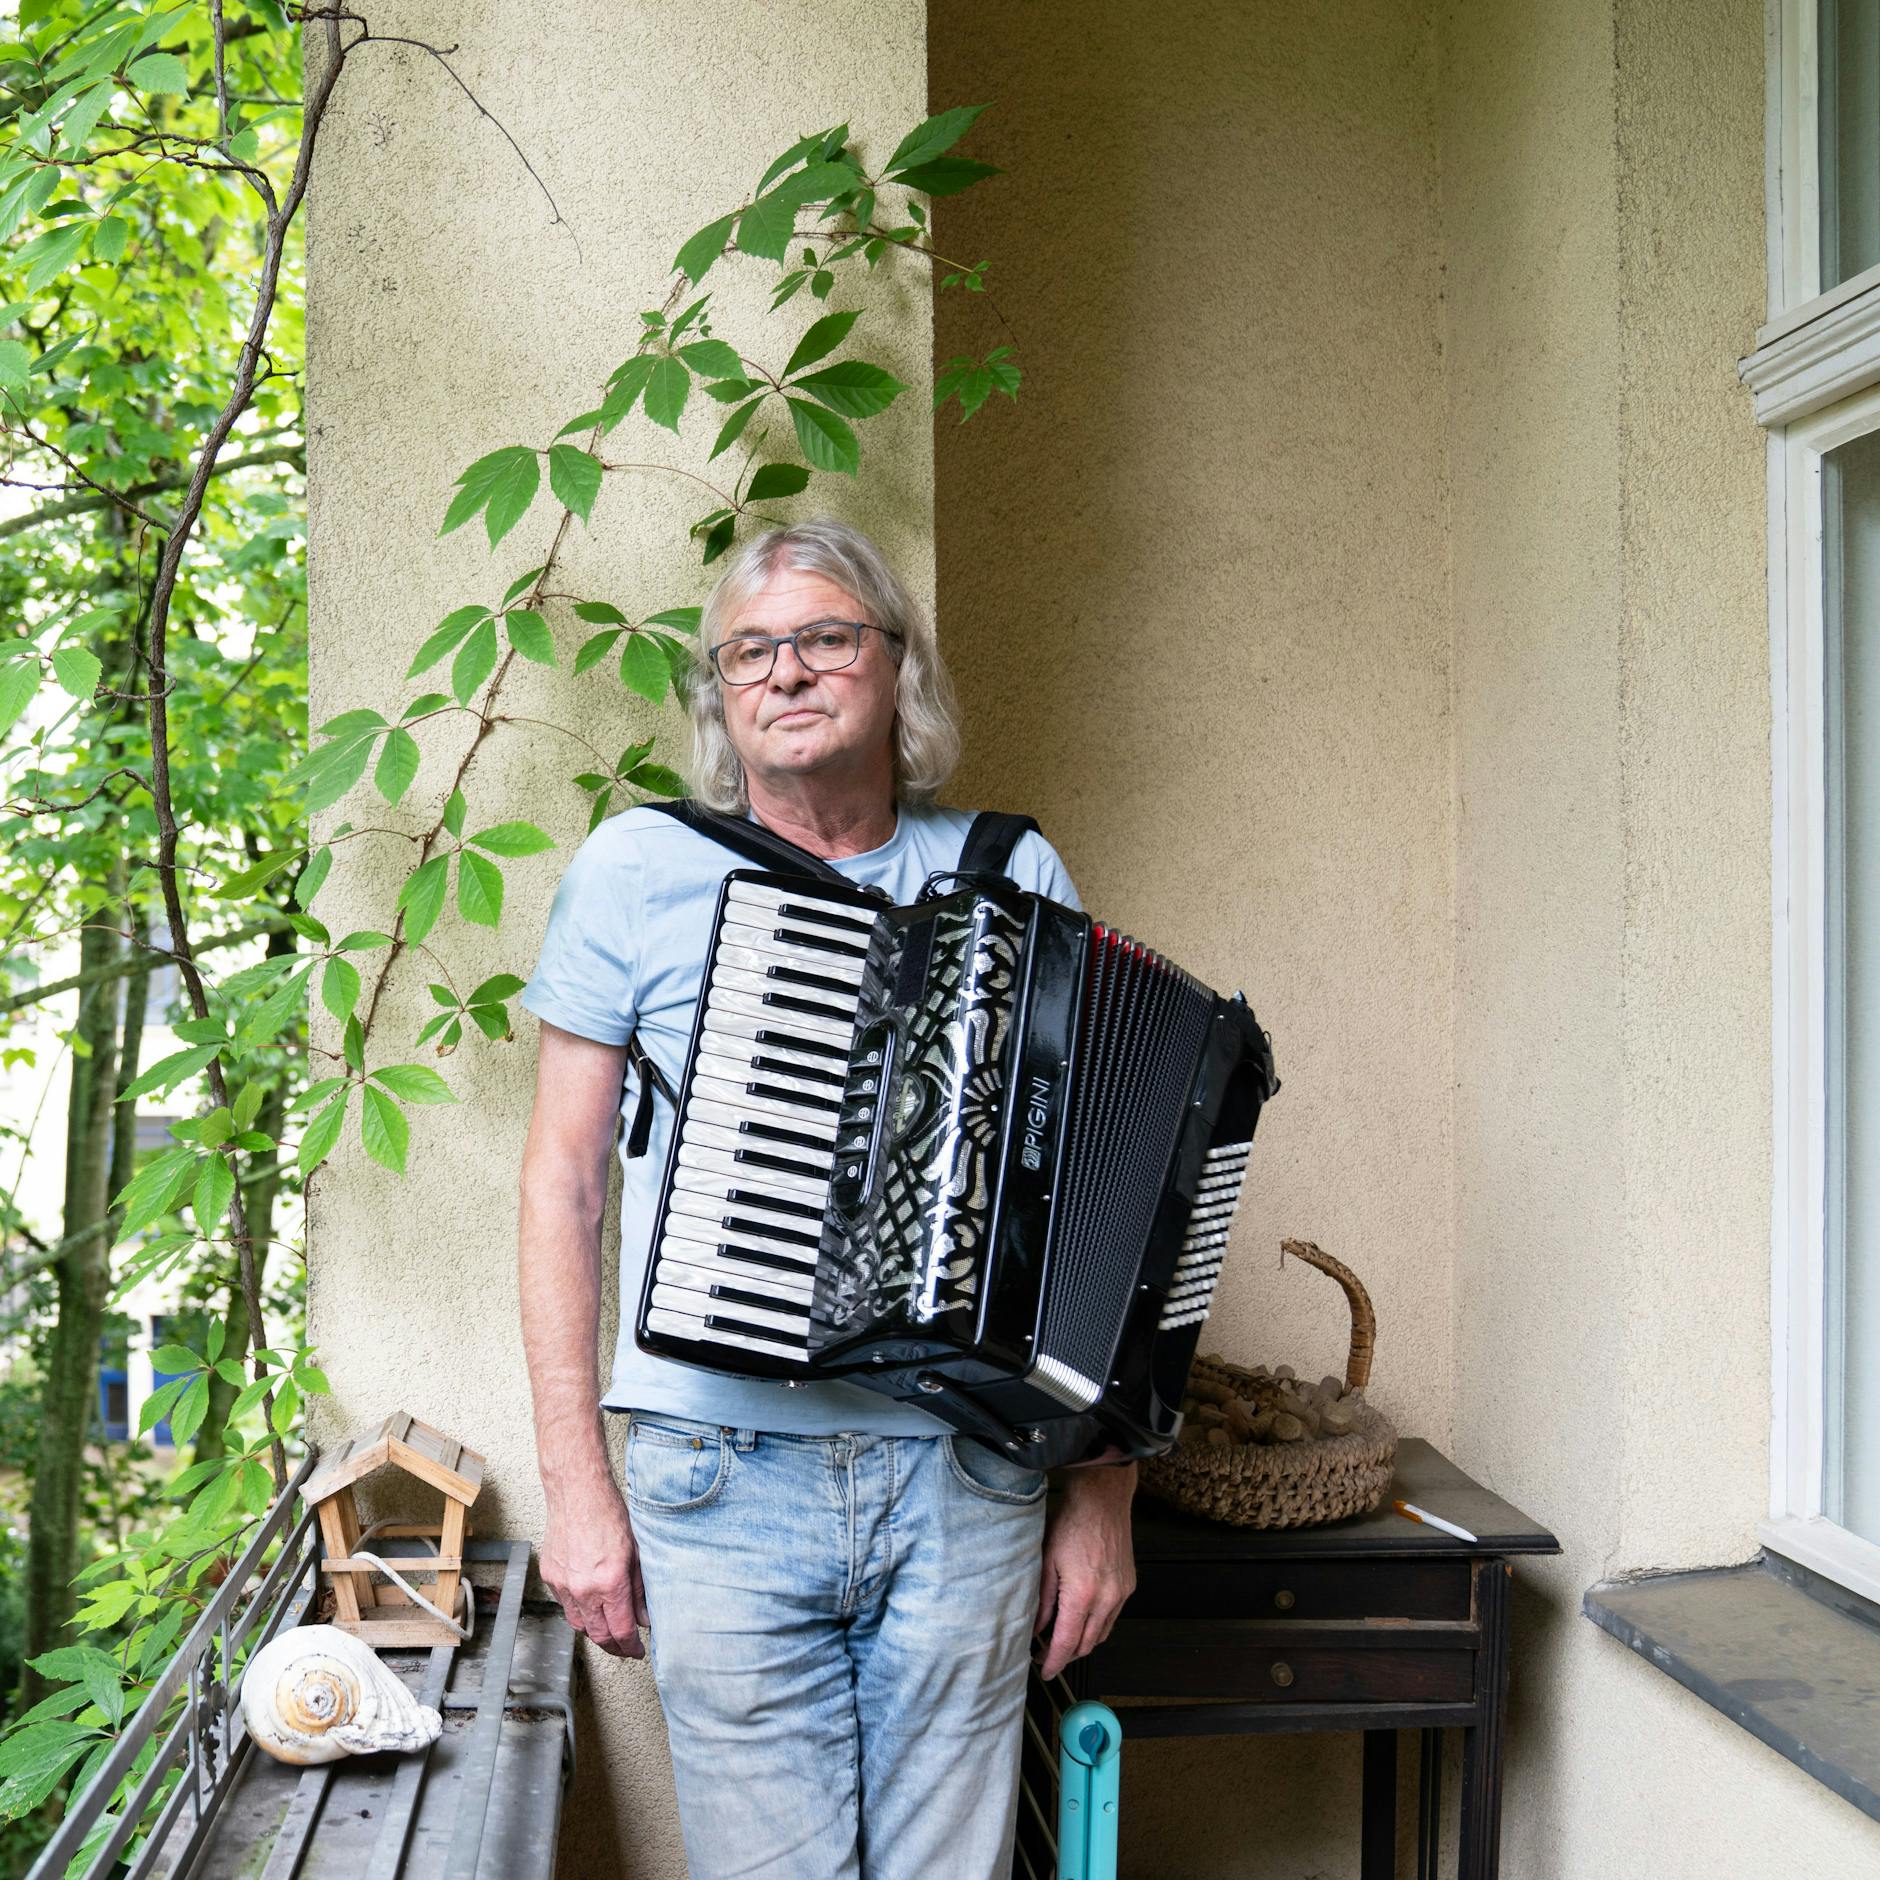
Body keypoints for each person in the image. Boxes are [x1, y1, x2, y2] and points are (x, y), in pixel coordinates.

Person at [515, 518, 1137, 1879]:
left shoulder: (1009, 874)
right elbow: (561, 1185)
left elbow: (1097, 1205)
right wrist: (575, 1489)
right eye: (751, 653)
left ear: (895, 669)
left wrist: (1103, 1500)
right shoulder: (636, 874)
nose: (787, 672)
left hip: (961, 1477)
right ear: (722, 699)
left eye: (825, 638)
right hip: (721, 1480)